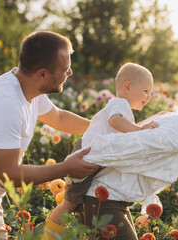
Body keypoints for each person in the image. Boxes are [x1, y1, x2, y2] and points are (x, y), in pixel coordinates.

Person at [0, 31, 99, 239]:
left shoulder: (28, 86)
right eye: (65, 69)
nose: (71, 73)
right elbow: (8, 175)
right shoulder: (7, 104)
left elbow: (58, 118)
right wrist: (66, 168)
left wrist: (103, 128)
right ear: (43, 75)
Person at [45, 74, 178, 239]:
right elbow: (120, 144)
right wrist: (73, 169)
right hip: (100, 200)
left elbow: (137, 153)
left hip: (110, 200)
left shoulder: (176, 125)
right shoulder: (174, 134)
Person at [45, 63, 157, 232]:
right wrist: (140, 130)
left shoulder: (122, 107)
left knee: (75, 202)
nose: (149, 97)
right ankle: (44, 234)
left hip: (94, 155)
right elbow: (115, 121)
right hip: (86, 155)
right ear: (127, 87)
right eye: (146, 91)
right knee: (70, 203)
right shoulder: (120, 104)